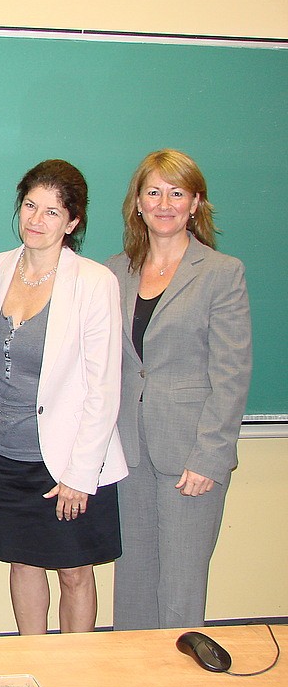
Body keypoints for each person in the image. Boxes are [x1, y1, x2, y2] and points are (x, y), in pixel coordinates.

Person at [0, 159, 128, 635]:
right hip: (5, 452)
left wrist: (81, 475)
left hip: (67, 460)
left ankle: (74, 686)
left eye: (52, 212)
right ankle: (33, 668)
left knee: (75, 571)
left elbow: (103, 388)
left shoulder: (94, 282)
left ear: (73, 222)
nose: (36, 220)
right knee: (23, 564)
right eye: (30, 206)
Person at [107, 149, 251, 630]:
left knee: (179, 591)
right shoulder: (113, 272)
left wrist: (210, 457)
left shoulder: (221, 273)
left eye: (177, 193)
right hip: (129, 452)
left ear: (195, 204)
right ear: (138, 204)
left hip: (191, 454)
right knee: (132, 584)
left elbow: (231, 375)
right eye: (153, 192)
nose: (164, 203)